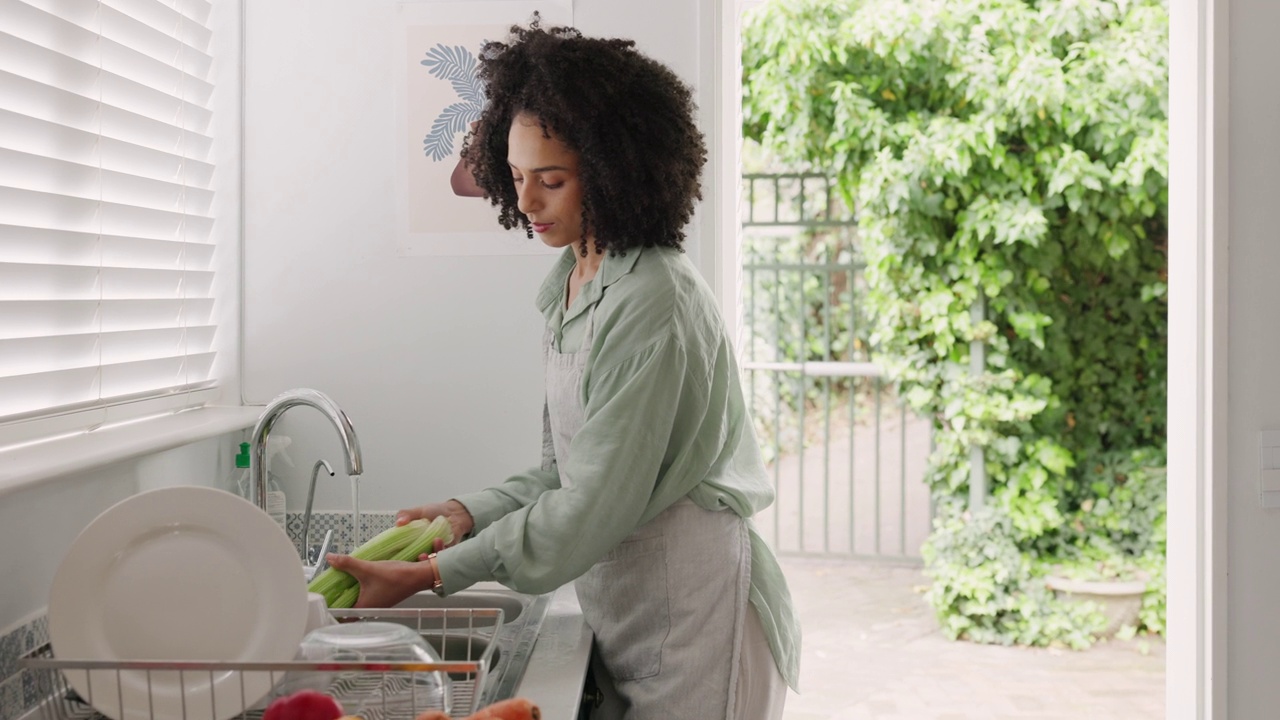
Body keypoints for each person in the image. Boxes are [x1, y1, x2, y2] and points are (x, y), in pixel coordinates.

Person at [326, 18, 800, 719]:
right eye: (515, 177)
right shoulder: (574, 281)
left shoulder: (653, 299)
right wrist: (464, 515)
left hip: (698, 609)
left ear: (615, 170)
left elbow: (590, 504)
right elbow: (565, 472)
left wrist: (431, 574)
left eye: (551, 179)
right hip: (631, 599)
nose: (525, 202)